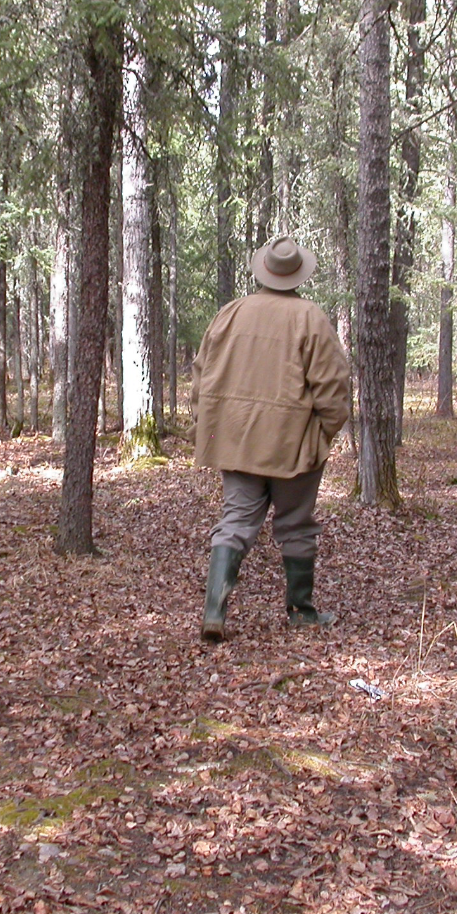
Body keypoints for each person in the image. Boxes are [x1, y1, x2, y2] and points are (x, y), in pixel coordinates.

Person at [190, 236, 351, 641]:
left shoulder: (231, 313)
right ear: (297, 275)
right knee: (296, 525)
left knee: (235, 522)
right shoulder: (310, 318)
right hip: (292, 446)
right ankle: (301, 612)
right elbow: (333, 389)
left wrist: (210, 427)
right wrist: (322, 433)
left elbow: (200, 376)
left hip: (237, 442)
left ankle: (215, 612)